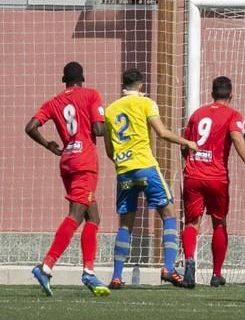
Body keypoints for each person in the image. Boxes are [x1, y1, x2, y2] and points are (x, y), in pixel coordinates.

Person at [103, 68, 198, 289]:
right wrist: (187, 142)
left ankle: (116, 276)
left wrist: (123, 160)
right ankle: (168, 268)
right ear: (141, 85)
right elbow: (162, 133)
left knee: (125, 224)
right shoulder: (146, 103)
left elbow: (109, 150)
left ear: (123, 85)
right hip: (145, 166)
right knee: (169, 213)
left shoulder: (110, 110)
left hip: (123, 170)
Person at [25, 62, 110, 297]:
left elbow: (30, 127)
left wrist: (49, 144)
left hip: (68, 160)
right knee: (75, 214)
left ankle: (89, 271)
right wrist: (106, 118)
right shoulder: (91, 94)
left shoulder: (54, 102)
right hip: (85, 163)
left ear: (65, 81)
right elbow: (99, 130)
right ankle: (46, 266)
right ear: (82, 79)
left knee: (93, 216)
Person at [180, 76, 245, 288]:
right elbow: (237, 138)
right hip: (217, 177)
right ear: (231, 94)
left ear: (212, 94)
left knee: (192, 223)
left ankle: (189, 260)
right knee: (219, 222)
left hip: (193, 174)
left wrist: (189, 161)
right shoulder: (233, 115)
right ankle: (216, 274)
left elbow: (185, 144)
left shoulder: (197, 114)